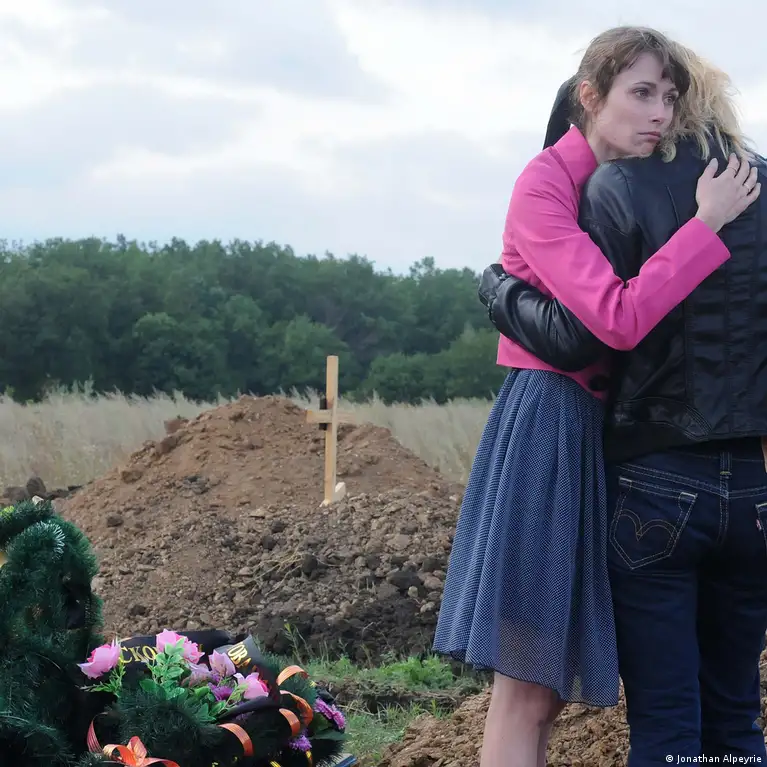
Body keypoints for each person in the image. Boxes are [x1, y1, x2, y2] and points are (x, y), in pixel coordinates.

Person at [431, 26, 760, 767]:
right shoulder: (544, 182)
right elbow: (612, 318)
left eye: (668, 97)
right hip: (550, 424)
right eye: (640, 93)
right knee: (527, 681)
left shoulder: (626, 183)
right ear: (589, 96)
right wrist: (706, 224)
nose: (659, 113)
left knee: (548, 690)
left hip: (606, 436)